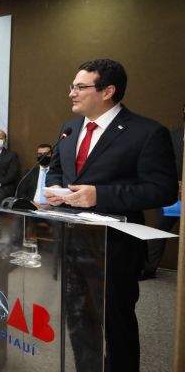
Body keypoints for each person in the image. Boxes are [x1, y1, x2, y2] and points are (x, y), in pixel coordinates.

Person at [44, 59, 178, 372]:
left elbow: (162, 190)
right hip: (71, 242)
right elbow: (57, 170)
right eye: (72, 86)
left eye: (80, 87)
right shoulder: (69, 128)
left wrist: (100, 195)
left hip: (116, 247)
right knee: (79, 320)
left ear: (108, 91)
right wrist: (56, 188)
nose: (72, 93)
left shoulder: (147, 132)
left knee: (117, 324)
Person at [143, 105, 184, 279]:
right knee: (158, 231)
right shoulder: (172, 135)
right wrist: (174, 183)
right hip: (174, 194)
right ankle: (148, 268)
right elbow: (161, 163)